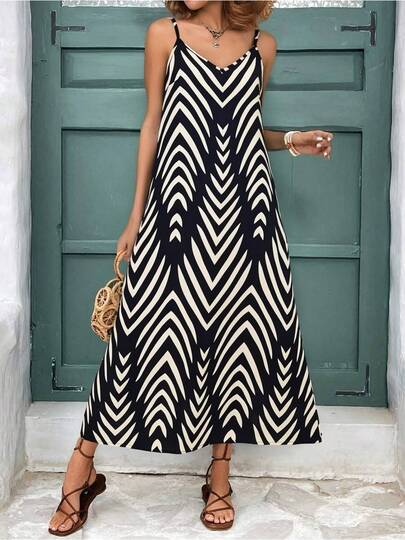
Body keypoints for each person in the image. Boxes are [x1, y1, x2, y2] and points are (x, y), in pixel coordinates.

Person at [48, 0, 333, 535]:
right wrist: (136, 216)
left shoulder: (262, 47)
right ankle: (82, 466)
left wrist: (293, 140)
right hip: (176, 210)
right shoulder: (166, 35)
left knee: (240, 336)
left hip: (248, 212)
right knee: (142, 332)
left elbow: (245, 128)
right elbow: (153, 123)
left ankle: (219, 473)